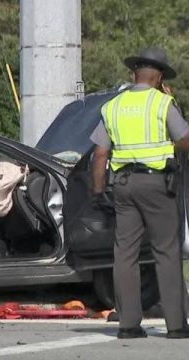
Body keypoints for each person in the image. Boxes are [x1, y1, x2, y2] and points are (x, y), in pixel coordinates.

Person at [90, 47, 189, 339]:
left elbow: (99, 154)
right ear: (158, 78)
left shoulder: (113, 106)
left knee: (125, 253)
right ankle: (176, 325)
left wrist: (98, 192)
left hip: (122, 186)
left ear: (134, 75)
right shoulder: (162, 103)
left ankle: (129, 325)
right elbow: (184, 139)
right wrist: (172, 143)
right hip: (157, 185)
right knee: (166, 251)